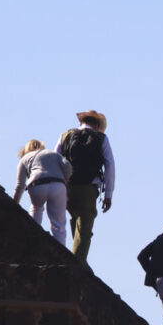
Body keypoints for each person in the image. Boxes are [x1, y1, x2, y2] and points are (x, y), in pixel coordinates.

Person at [55, 110, 115, 262]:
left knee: (75, 220)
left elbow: (56, 159)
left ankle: (76, 259)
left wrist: (58, 186)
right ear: (97, 125)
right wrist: (108, 195)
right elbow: (110, 166)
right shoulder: (101, 138)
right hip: (89, 188)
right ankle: (76, 265)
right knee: (84, 230)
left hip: (67, 186)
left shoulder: (65, 135)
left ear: (81, 121)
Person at [12, 140, 72, 246]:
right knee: (59, 225)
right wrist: (65, 181)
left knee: (36, 208)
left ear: (26, 150)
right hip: (57, 185)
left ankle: (33, 240)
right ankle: (61, 250)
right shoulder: (53, 153)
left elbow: (20, 185)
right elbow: (68, 166)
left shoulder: (24, 158)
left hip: (37, 185)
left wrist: (14, 204)